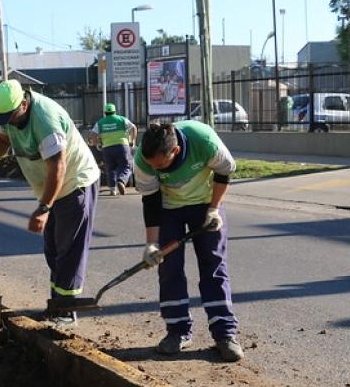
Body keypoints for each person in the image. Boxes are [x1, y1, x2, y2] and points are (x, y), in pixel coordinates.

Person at [0, 80, 100, 325]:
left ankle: (66, 311)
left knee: (69, 250)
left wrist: (44, 208)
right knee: (52, 249)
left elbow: (58, 167)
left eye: (10, 116)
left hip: (74, 184)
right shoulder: (10, 118)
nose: (7, 121)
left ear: (23, 103)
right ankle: (57, 306)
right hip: (52, 190)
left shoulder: (45, 119)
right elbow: (2, 140)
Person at [134, 121, 244, 362]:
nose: (155, 168)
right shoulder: (143, 159)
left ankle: (225, 334)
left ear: (174, 151)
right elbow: (150, 202)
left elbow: (224, 171)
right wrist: (151, 244)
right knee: (169, 269)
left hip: (205, 203)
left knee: (213, 266)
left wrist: (214, 209)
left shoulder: (203, 141)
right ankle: (177, 331)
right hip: (168, 209)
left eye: (160, 165)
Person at [91, 103, 137, 196]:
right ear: (115, 111)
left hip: (107, 148)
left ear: (105, 112)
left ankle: (112, 189)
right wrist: (132, 141)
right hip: (122, 147)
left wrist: (97, 144)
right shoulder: (121, 119)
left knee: (110, 168)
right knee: (126, 165)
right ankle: (122, 180)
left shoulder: (100, 122)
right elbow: (133, 128)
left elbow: (93, 134)